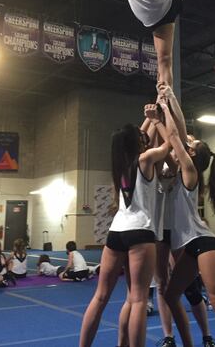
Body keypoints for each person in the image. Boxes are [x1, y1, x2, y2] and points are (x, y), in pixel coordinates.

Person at [79, 105, 170, 347]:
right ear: (136, 144)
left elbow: (137, 137)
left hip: (116, 233)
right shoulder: (146, 158)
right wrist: (160, 120)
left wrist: (147, 117)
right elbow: (168, 145)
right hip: (140, 232)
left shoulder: (120, 166)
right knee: (139, 299)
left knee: (100, 297)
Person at [157, 97, 215, 347]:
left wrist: (164, 110)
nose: (187, 140)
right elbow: (170, 142)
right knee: (171, 295)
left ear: (191, 152)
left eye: (191, 143)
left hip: (203, 242)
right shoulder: (179, 170)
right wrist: (157, 120)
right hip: (190, 245)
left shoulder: (190, 173)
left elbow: (174, 137)